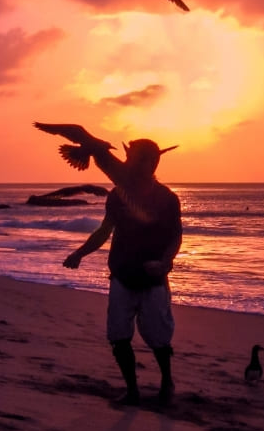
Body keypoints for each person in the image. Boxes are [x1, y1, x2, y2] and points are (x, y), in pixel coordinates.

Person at [63, 138, 182, 407]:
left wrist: (165, 262)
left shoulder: (167, 198)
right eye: (141, 159)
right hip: (122, 276)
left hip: (153, 281)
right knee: (119, 336)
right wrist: (80, 253)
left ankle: (167, 382)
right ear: (129, 160)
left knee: (159, 338)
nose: (147, 164)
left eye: (152, 159)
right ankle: (132, 390)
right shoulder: (116, 196)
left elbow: (176, 235)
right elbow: (105, 231)